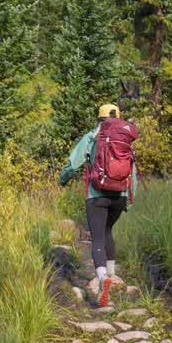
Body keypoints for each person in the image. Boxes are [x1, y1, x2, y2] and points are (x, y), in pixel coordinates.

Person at [59, 103, 138, 307]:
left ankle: (103, 279)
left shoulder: (92, 136)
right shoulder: (125, 140)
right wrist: (129, 198)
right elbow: (132, 172)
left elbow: (73, 163)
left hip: (96, 195)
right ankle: (111, 273)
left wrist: (63, 179)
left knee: (97, 237)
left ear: (99, 118)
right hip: (119, 196)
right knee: (108, 230)